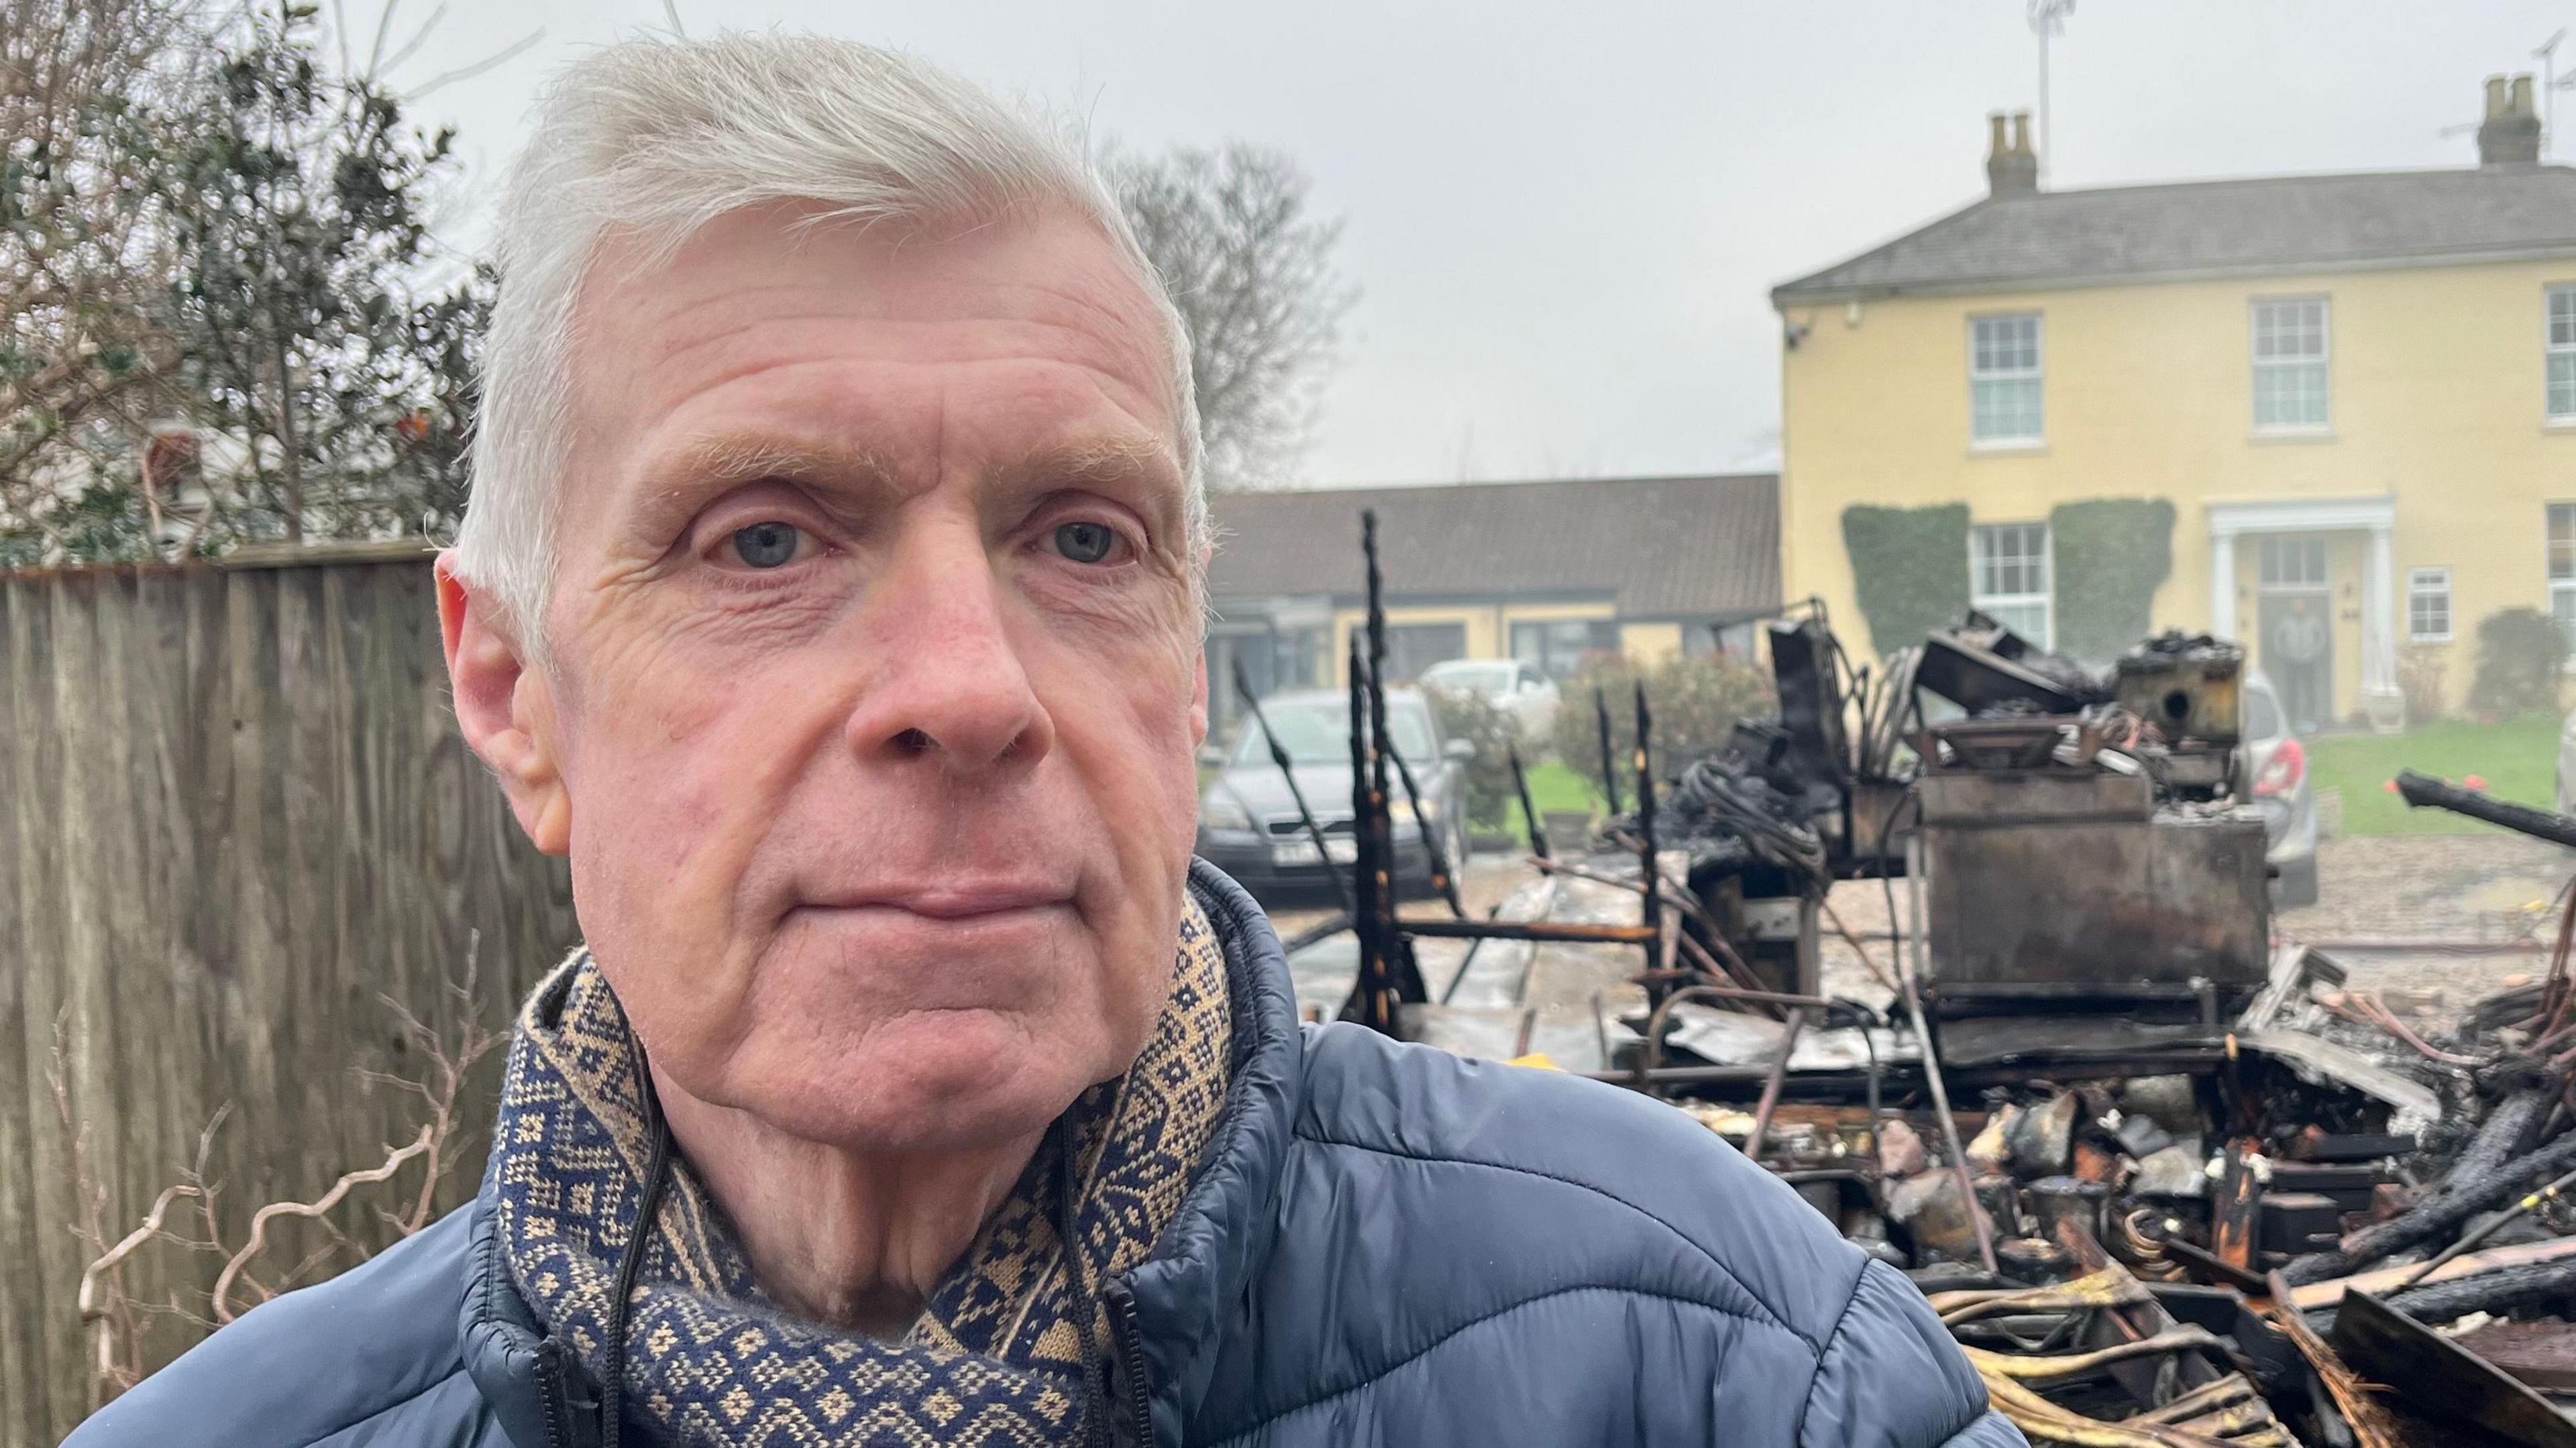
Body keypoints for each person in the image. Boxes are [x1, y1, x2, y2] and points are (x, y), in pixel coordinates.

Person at [67, 35, 2019, 1448]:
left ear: (1180, 665)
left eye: (1082, 538)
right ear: (509, 688)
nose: (974, 682)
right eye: (765, 536)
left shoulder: (1734, 1372)